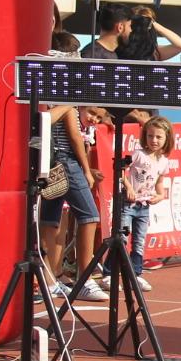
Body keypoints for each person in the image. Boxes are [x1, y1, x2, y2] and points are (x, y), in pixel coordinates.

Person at [39, 104, 110, 302]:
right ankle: (85, 280)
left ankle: (49, 281)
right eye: (92, 113)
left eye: (99, 117)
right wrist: (86, 170)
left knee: (50, 221)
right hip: (64, 160)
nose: (95, 119)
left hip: (54, 161)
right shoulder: (70, 108)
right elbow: (75, 137)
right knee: (90, 216)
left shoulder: (70, 112)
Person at [120, 114, 173, 294]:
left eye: (158, 137)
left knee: (139, 241)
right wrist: (128, 187)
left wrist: (160, 195)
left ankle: (135, 274)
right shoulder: (139, 154)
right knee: (121, 238)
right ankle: (109, 273)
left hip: (144, 207)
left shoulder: (163, 161)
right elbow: (122, 170)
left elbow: (159, 182)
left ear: (166, 139)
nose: (154, 140)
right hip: (128, 204)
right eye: (150, 136)